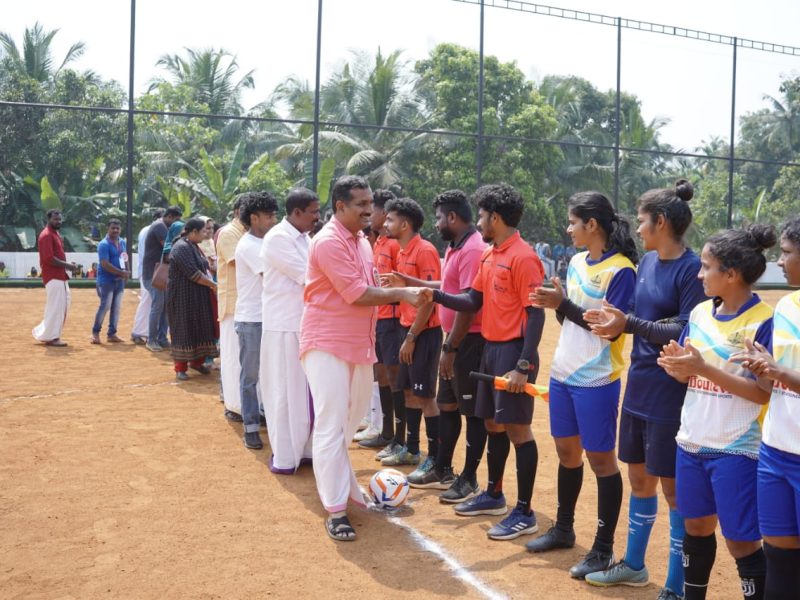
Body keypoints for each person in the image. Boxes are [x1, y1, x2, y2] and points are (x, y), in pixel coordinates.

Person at [580, 181, 706, 599]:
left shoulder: (691, 269)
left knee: (673, 490)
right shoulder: (648, 262)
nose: (638, 226)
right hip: (638, 386)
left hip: (670, 392)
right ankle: (634, 565)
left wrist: (627, 324)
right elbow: (635, 316)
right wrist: (614, 317)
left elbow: (683, 327)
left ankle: (674, 585)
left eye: (643, 219)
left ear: (661, 222)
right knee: (639, 479)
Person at [299, 175, 430, 541]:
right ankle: (335, 509)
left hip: (358, 345)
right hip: (326, 343)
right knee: (330, 424)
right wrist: (405, 292)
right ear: (340, 206)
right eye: (360, 204)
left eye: (370, 202)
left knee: (349, 421)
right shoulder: (327, 241)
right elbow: (356, 294)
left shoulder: (361, 241)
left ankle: (348, 494)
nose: (369, 210)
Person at [658, 225, 776, 600]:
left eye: (707, 266)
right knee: (695, 526)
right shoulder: (698, 312)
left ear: (731, 274)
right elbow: (686, 371)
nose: (699, 273)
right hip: (692, 441)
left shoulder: (763, 320)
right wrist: (676, 366)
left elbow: (762, 393)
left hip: (736, 449)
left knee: (741, 542)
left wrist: (702, 369)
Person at [528, 191, 637, 579]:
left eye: (573, 222)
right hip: (563, 372)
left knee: (601, 460)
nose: (568, 228)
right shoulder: (575, 262)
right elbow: (569, 320)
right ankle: (563, 528)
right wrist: (556, 302)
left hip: (596, 378)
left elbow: (607, 331)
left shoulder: (622, 270)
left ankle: (603, 549)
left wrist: (561, 304)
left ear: (592, 225)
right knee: (566, 452)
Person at [430, 183, 546, 541]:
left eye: (481, 215)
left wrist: (523, 366)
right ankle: (494, 495)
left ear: (495, 217)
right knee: (493, 425)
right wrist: (432, 294)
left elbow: (537, 315)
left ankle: (524, 512)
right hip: (490, 350)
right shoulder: (490, 254)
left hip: (514, 353)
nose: (478, 222)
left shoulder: (524, 257)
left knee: (517, 431)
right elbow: (471, 301)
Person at [385, 190, 488, 498]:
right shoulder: (455, 246)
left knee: (471, 412)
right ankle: (442, 467)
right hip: (453, 339)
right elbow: (446, 287)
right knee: (447, 405)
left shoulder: (471, 249)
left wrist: (450, 347)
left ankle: (468, 477)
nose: (438, 222)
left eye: (441, 217)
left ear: (453, 218)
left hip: (468, 341)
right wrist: (411, 282)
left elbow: (469, 303)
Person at [732, 217, 800, 600]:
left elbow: (787, 374)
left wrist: (781, 371)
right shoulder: (787, 307)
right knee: (779, 561)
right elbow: (776, 378)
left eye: (787, 253)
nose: (780, 262)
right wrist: (763, 365)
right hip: (776, 452)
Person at [380, 197, 443, 475]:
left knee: (426, 396)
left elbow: (429, 299)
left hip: (424, 333)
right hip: (409, 329)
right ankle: (412, 449)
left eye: (391, 219)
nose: (385, 223)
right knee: (408, 392)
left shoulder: (425, 250)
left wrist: (412, 336)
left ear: (404, 224)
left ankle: (435, 457)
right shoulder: (403, 251)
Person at [259, 188, 320, 472]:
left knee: (307, 392)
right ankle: (286, 455)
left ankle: (305, 450)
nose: (317, 218)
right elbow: (309, 277)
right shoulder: (277, 239)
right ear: (296, 213)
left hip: (304, 324)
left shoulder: (306, 238)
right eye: (313, 212)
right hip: (283, 325)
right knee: (284, 392)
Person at [357, 189, 404, 451]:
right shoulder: (378, 243)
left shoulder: (395, 244)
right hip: (379, 317)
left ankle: (399, 436)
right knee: (383, 375)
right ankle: (386, 431)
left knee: (394, 377)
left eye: (372, 209)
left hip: (394, 320)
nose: (369, 215)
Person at [234, 192, 278, 449]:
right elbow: (271, 276)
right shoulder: (249, 245)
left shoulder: (268, 241)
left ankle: (265, 420)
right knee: (250, 376)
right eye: (269, 215)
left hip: (269, 318)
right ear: (254, 218)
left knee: (271, 375)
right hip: (252, 319)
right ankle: (250, 427)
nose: (273, 220)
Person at [166, 218, 218, 380]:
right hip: (183, 298)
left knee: (201, 328)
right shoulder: (181, 247)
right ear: (194, 232)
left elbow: (203, 268)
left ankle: (197, 362)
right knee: (184, 329)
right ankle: (180, 367)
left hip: (197, 297)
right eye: (203, 231)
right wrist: (213, 284)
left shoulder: (194, 246)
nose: (205, 234)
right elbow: (193, 274)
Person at [216, 197, 247, 422]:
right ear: (238, 211)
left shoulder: (246, 233)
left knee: (247, 359)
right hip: (232, 305)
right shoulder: (229, 233)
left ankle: (245, 403)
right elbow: (241, 262)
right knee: (233, 357)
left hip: (247, 305)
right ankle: (234, 405)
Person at [32, 210, 79, 346]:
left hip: (58, 276)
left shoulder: (54, 234)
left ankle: (47, 333)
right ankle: (53, 337)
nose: (58, 221)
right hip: (54, 276)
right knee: (57, 307)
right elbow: (49, 258)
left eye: (59, 219)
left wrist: (67, 266)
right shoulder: (46, 235)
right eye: (55, 219)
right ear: (48, 219)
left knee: (60, 305)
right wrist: (68, 266)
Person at [143, 206, 183, 352]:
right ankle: (152, 340)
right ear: (170, 217)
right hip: (154, 274)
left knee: (165, 306)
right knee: (158, 306)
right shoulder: (160, 226)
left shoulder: (161, 226)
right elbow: (171, 248)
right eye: (176, 220)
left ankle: (161, 338)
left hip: (159, 273)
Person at [91, 219, 130, 344]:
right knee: (105, 306)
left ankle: (112, 334)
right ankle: (95, 333)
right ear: (108, 229)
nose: (115, 230)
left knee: (116, 307)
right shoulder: (103, 244)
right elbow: (104, 264)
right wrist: (121, 273)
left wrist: (127, 271)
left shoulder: (122, 242)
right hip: (106, 281)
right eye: (113, 228)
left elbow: (124, 257)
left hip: (119, 281)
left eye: (117, 228)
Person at [131, 210, 164, 345]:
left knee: (150, 302)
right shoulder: (150, 230)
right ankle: (138, 331)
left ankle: (145, 332)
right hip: (150, 271)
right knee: (147, 302)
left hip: (148, 270)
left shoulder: (146, 230)